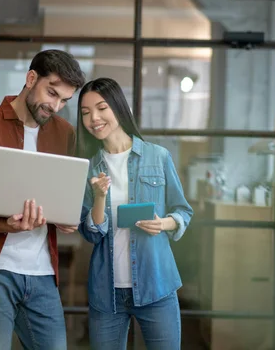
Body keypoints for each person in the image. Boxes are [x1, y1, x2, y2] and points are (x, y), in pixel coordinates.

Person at [0, 49, 86, 350]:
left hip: (42, 274)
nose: (55, 106)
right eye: (51, 93)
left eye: (64, 100)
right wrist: (6, 226)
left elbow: (61, 193)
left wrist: (66, 216)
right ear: (30, 79)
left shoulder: (65, 133)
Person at [76, 77, 193, 350]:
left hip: (157, 286)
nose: (94, 118)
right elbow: (91, 234)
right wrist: (100, 198)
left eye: (101, 108)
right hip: (107, 294)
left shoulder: (158, 157)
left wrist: (164, 223)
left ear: (117, 107)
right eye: (85, 112)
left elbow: (183, 211)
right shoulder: (88, 169)